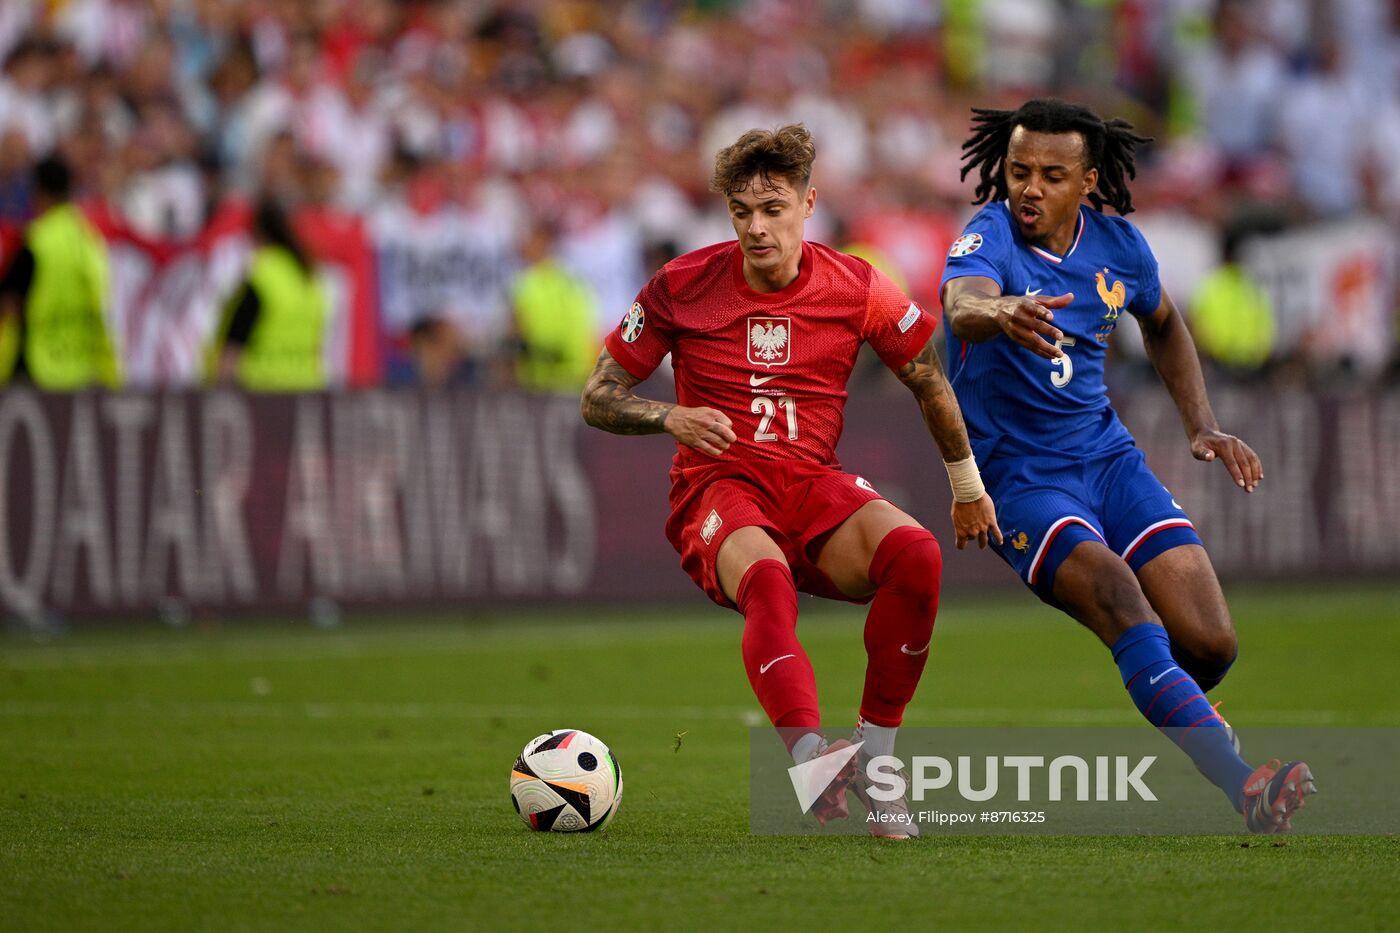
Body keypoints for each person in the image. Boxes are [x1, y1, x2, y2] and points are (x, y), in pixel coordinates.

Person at [580, 124, 999, 839]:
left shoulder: (855, 285)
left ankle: (878, 765)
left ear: (809, 204)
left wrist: (967, 486)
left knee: (917, 556)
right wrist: (669, 415)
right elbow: (598, 395)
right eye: (742, 210)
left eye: (773, 208)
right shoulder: (683, 285)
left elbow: (928, 378)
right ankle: (811, 758)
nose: (756, 226)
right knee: (767, 582)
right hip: (719, 489)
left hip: (811, 486)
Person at [939, 98, 1314, 833]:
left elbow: (1166, 325)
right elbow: (961, 303)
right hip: (1022, 478)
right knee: (1117, 593)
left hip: (1109, 460)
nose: (1029, 188)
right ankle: (1246, 784)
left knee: (1210, 643)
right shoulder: (987, 236)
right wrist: (1004, 310)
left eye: (1051, 174)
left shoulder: (1121, 248)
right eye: (1018, 171)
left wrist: (1202, 424)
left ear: (1088, 181)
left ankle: (1179, 707)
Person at [0, 154, 120, 389]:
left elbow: (10, 305)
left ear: (39, 192)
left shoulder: (36, 242)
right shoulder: (90, 241)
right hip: (82, 370)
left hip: (36, 368)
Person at [209, 198, 327, 391]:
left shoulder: (261, 275)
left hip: (262, 393)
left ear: (257, 231)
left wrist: (216, 393)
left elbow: (234, 345)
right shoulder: (310, 277)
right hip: (307, 389)